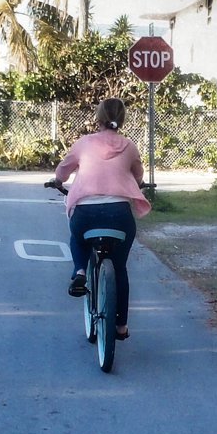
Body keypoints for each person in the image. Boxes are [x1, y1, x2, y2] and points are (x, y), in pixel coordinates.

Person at [50, 98, 151, 340]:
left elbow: (63, 171)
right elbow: (138, 176)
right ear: (122, 119)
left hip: (86, 214)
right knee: (119, 269)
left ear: (98, 118)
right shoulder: (129, 146)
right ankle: (121, 327)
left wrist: (57, 181)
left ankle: (80, 272)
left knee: (77, 236)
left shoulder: (83, 143)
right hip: (119, 215)